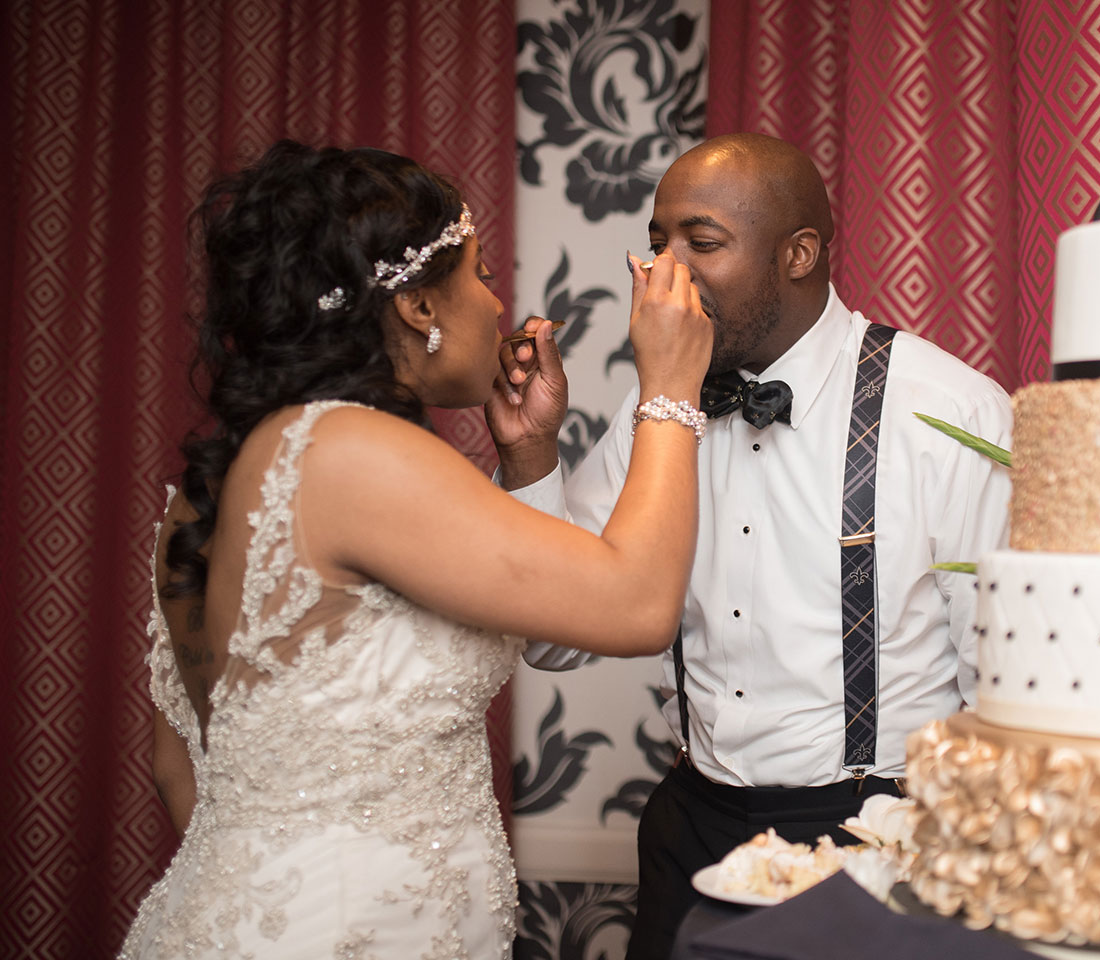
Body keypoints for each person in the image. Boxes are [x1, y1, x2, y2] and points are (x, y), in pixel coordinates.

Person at [122, 140, 713, 959]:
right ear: (418, 308)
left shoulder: (231, 479)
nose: (498, 304)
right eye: (478, 274)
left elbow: (181, 769)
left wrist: (529, 458)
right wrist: (672, 388)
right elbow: (639, 604)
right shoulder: (348, 452)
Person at [496, 132, 1012, 960]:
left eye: (700, 243)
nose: (665, 274)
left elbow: (1006, 695)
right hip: (688, 834)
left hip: (879, 845)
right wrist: (529, 458)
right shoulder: (658, 414)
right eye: (657, 242)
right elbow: (553, 639)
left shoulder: (946, 412)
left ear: (799, 253)